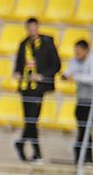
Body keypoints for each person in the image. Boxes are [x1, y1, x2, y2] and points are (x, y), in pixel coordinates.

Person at [11, 17, 60, 163]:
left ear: (37, 27)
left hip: (38, 88)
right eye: (29, 27)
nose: (32, 30)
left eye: (34, 27)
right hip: (25, 87)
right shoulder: (23, 44)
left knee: (32, 119)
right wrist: (17, 73)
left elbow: (56, 65)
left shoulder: (47, 43)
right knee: (30, 119)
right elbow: (19, 64)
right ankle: (34, 152)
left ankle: (25, 145)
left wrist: (42, 76)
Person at [61, 37, 91, 165]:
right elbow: (69, 71)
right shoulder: (75, 61)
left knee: (86, 129)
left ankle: (82, 153)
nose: (77, 55)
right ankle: (84, 155)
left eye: (79, 52)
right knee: (83, 128)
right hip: (82, 100)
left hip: (91, 100)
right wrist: (65, 76)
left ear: (86, 51)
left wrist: (76, 77)